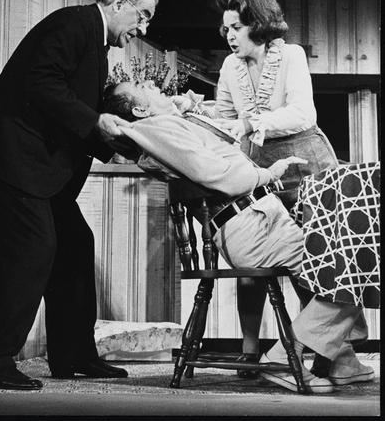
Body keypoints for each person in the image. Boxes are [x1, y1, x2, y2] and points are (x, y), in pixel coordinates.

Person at [102, 80, 375, 394]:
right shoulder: (157, 128)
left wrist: (187, 110)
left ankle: (341, 359)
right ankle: (285, 357)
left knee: (347, 258)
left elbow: (222, 136)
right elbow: (216, 174)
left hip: (257, 220)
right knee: (351, 267)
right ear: (140, 109)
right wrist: (269, 173)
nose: (152, 83)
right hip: (251, 227)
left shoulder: (169, 124)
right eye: (142, 86)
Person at [0, 0, 158, 390]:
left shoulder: (94, 42)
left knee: (75, 246)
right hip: (13, 159)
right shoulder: (72, 23)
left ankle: (74, 354)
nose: (143, 28)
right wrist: (95, 121)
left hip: (38, 168)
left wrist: (128, 141)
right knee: (32, 252)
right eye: (143, 15)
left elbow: (72, 110)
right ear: (119, 2)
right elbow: (41, 83)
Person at [212, 0, 339, 374]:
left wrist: (251, 123)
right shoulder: (230, 66)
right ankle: (250, 349)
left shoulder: (291, 56)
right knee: (254, 255)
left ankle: (314, 348)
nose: (230, 35)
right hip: (259, 169)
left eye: (236, 27)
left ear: (258, 24)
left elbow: (303, 113)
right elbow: (225, 119)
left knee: (310, 260)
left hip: (306, 165)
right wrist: (197, 114)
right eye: (226, 28)